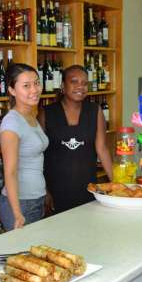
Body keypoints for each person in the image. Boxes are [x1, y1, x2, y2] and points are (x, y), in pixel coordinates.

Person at [38, 64, 112, 214]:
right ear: (63, 86)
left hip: (88, 189)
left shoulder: (94, 111)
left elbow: (102, 149)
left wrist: (116, 183)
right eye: (74, 81)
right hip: (56, 190)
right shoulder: (46, 113)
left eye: (84, 83)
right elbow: (37, 156)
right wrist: (44, 190)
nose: (80, 86)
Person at [0, 63, 49, 230]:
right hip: (21, 204)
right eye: (26, 86)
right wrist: (17, 213)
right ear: (12, 90)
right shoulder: (12, 123)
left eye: (36, 83)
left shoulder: (31, 115)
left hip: (36, 199)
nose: (34, 90)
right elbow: (10, 172)